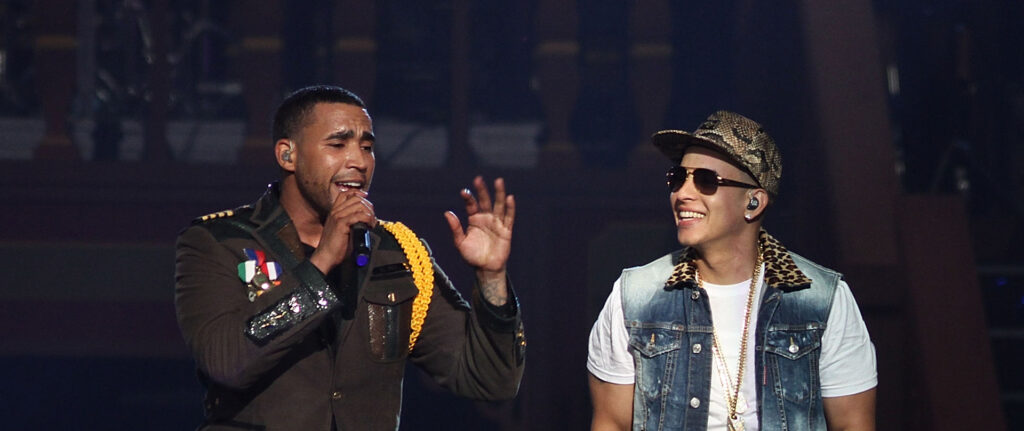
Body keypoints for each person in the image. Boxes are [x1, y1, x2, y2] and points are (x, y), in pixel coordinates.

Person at [174, 85, 526, 430]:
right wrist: (323, 260)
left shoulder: (398, 253)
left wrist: (492, 278)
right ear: (287, 155)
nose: (358, 161)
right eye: (338, 144)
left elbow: (490, 380)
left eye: (367, 146)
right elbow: (226, 363)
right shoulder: (219, 242)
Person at [587, 111, 877, 430]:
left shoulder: (820, 298)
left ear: (753, 203)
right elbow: (611, 422)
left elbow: (853, 423)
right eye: (678, 177)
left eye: (706, 180)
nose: (683, 193)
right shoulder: (636, 296)